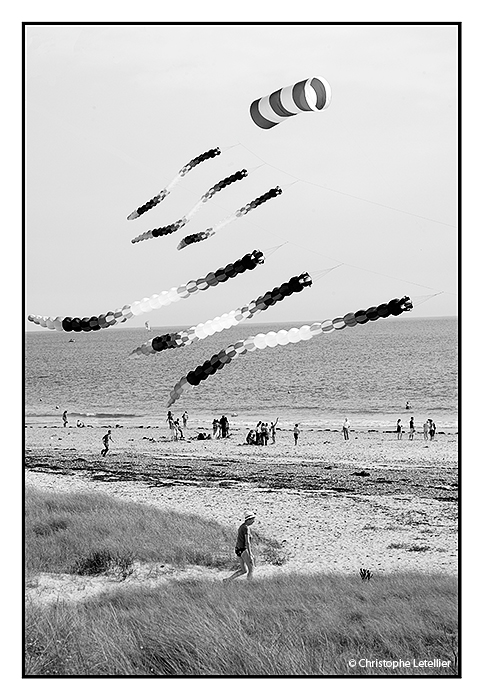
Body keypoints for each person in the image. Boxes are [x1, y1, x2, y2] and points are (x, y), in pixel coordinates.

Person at [224, 511, 256, 582]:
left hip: (238, 550)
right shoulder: (246, 528)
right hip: (243, 549)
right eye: (252, 519)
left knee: (243, 570)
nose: (253, 521)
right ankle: (249, 584)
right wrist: (250, 554)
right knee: (251, 569)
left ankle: (228, 580)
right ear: (249, 520)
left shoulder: (241, 527)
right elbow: (247, 542)